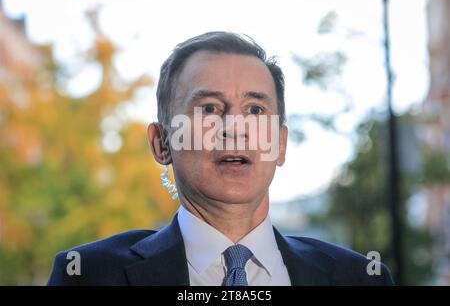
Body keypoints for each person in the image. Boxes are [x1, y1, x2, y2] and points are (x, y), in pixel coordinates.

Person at [47, 31, 394, 286]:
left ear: (281, 144)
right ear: (162, 142)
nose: (235, 128)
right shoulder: (87, 275)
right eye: (209, 108)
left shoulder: (361, 278)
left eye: (255, 109)